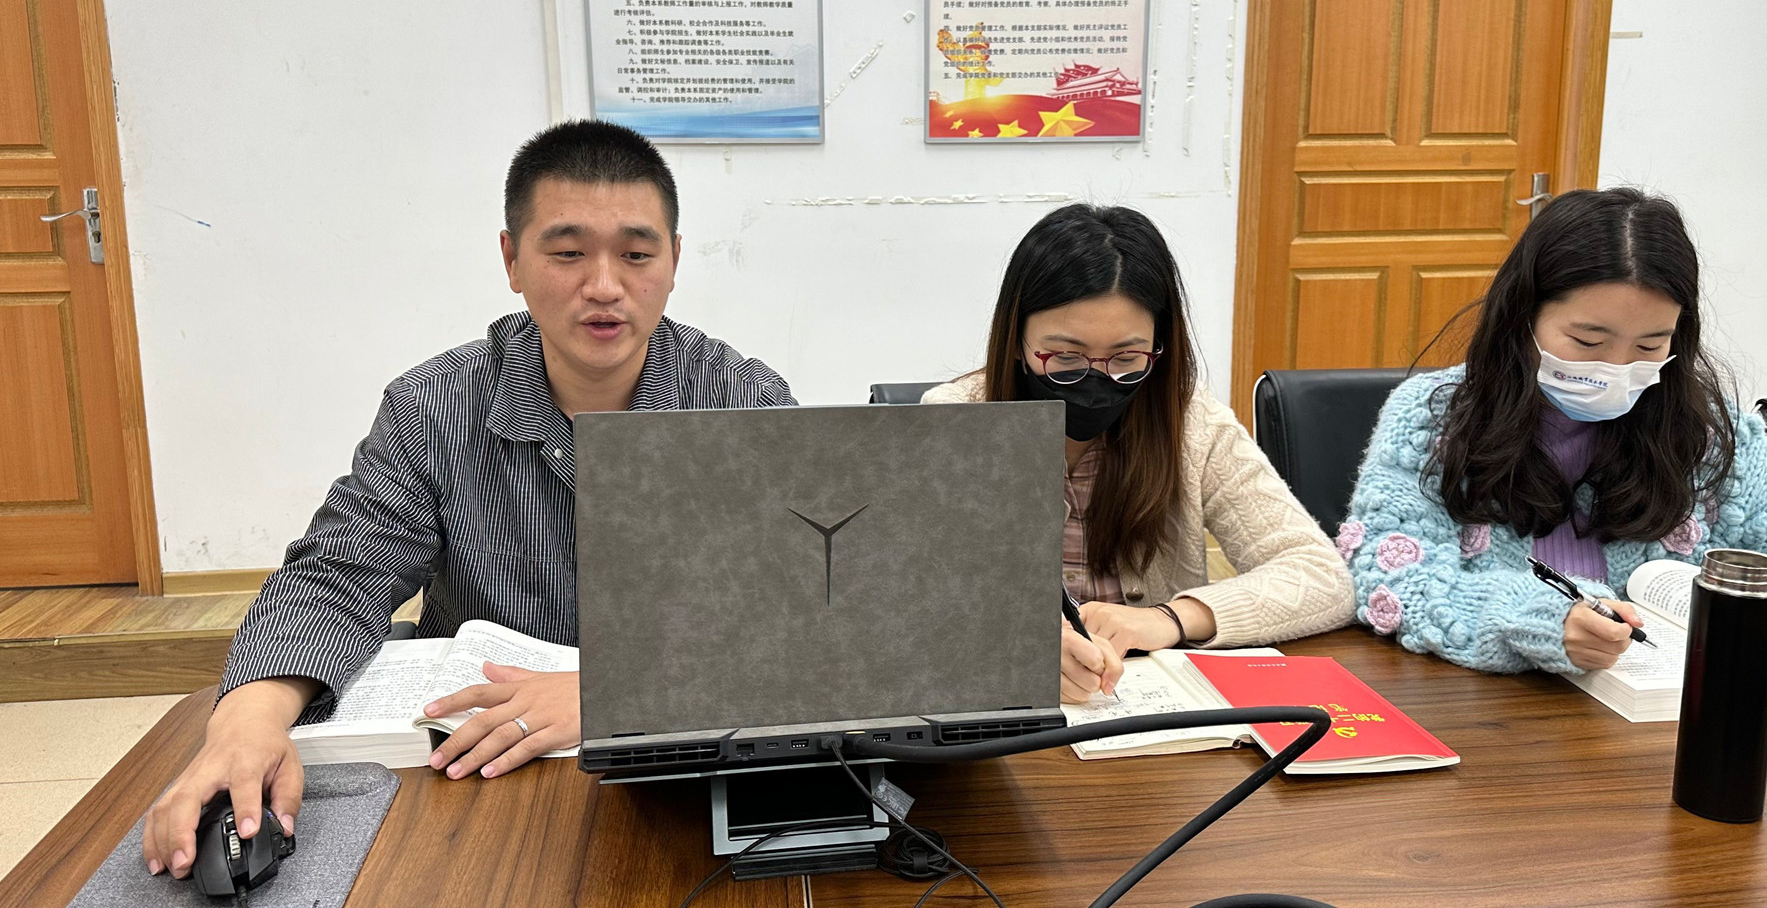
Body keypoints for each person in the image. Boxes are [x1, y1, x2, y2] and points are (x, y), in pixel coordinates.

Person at [141, 121, 794, 879]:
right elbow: (337, 578)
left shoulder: (743, 403)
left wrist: (618, 694)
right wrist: (245, 726)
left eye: (637, 255)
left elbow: (809, 612)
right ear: (512, 260)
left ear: (674, 260)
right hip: (475, 774)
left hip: (678, 768)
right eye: (568, 253)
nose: (604, 286)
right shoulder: (434, 406)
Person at [1344, 187, 1767, 675]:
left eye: (1650, 346)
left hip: (1666, 712)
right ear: (1523, 316)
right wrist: (1539, 620)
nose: (1618, 366)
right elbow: (1389, 572)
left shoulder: (1708, 433)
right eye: (1588, 341)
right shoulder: (1436, 417)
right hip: (1489, 710)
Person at [924, 204, 1354, 703]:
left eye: (1127, 357)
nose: (1096, 377)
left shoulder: (1191, 424)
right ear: (1016, 340)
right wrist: (1017, 643)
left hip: (1151, 711)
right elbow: (902, 600)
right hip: (1008, 707)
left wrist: (1170, 618)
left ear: (1159, 346)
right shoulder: (953, 422)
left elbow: (1322, 578)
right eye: (1065, 356)